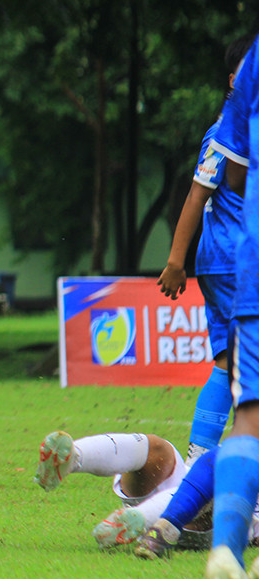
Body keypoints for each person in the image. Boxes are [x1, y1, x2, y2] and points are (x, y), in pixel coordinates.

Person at [157, 35, 253, 462]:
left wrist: (182, 262)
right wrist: (174, 261)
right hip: (237, 262)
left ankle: (198, 461)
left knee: (225, 362)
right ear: (236, 79)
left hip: (216, 264)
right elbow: (196, 195)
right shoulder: (227, 134)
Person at [203, 33, 259, 579]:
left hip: (251, 270)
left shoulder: (250, 69)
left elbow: (230, 163)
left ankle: (225, 549)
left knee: (250, 417)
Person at [34, 430, 207, 548]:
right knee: (158, 449)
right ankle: (74, 457)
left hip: (208, 519)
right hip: (190, 484)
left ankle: (144, 519)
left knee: (215, 477)